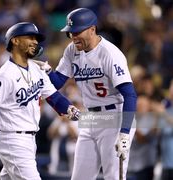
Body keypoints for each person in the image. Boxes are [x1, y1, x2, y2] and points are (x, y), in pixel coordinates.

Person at [34, 8, 137, 180]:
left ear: (92, 29)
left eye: (77, 31)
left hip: (114, 116)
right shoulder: (71, 50)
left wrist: (125, 133)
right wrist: (47, 71)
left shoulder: (110, 54)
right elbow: (58, 82)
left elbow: (130, 95)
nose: (73, 36)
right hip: (89, 117)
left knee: (113, 176)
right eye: (70, 32)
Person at [0, 22, 80, 180]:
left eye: (36, 38)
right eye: (30, 37)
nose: (35, 41)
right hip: (13, 140)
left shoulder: (36, 69)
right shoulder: (4, 75)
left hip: (28, 139)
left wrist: (73, 111)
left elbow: (54, 98)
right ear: (15, 41)